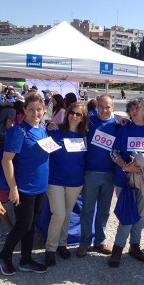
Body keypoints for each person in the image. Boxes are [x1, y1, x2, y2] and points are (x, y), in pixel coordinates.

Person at [0, 93, 49, 276]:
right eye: (31, 109)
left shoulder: (42, 130)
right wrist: (13, 188)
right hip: (23, 188)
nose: (35, 113)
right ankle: (4, 256)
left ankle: (26, 259)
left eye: (39, 109)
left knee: (31, 224)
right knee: (23, 225)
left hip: (41, 186)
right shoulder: (19, 131)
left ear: (44, 111)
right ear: (24, 110)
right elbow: (6, 161)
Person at [108, 97, 144, 267]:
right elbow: (114, 152)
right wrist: (126, 167)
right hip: (124, 180)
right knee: (127, 214)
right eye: (131, 108)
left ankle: (134, 246)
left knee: (139, 216)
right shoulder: (124, 130)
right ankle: (118, 249)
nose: (133, 111)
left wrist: (143, 164)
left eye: (137, 108)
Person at [45, 102, 89, 266]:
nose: (74, 116)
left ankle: (61, 245)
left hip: (75, 181)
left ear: (83, 118)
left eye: (79, 114)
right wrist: (48, 125)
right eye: (72, 112)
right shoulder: (56, 131)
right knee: (59, 215)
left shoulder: (85, 135)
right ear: (68, 113)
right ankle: (50, 249)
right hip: (55, 180)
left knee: (67, 214)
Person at [77, 94, 119, 258]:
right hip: (90, 173)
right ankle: (84, 243)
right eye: (101, 106)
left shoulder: (117, 125)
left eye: (107, 107)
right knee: (87, 209)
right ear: (96, 107)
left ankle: (100, 241)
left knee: (104, 211)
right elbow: (70, 124)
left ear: (112, 108)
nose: (104, 110)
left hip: (109, 174)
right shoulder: (89, 122)